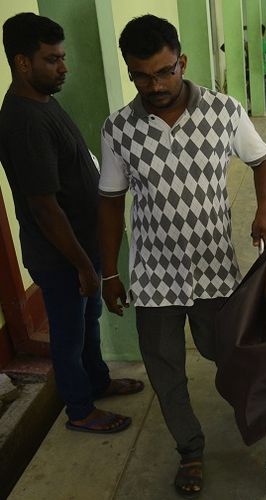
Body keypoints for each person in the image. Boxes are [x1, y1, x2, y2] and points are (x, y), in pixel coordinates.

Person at [97, 15, 266, 497]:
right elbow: (111, 203)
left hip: (215, 270)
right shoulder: (118, 129)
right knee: (165, 371)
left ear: (183, 61)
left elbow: (264, 162)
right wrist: (108, 273)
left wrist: (265, 213)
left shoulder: (223, 111)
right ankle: (190, 451)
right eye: (141, 75)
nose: (154, 85)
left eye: (164, 72)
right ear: (130, 71)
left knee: (230, 356)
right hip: (154, 276)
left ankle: (256, 417)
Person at [0, 13, 143, 435]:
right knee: (69, 335)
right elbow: (44, 207)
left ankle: (96, 381)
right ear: (22, 62)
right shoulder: (23, 120)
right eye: (52, 59)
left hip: (81, 247)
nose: (63, 67)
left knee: (87, 324)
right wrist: (82, 265)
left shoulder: (43, 100)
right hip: (61, 255)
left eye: (62, 57)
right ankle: (80, 410)